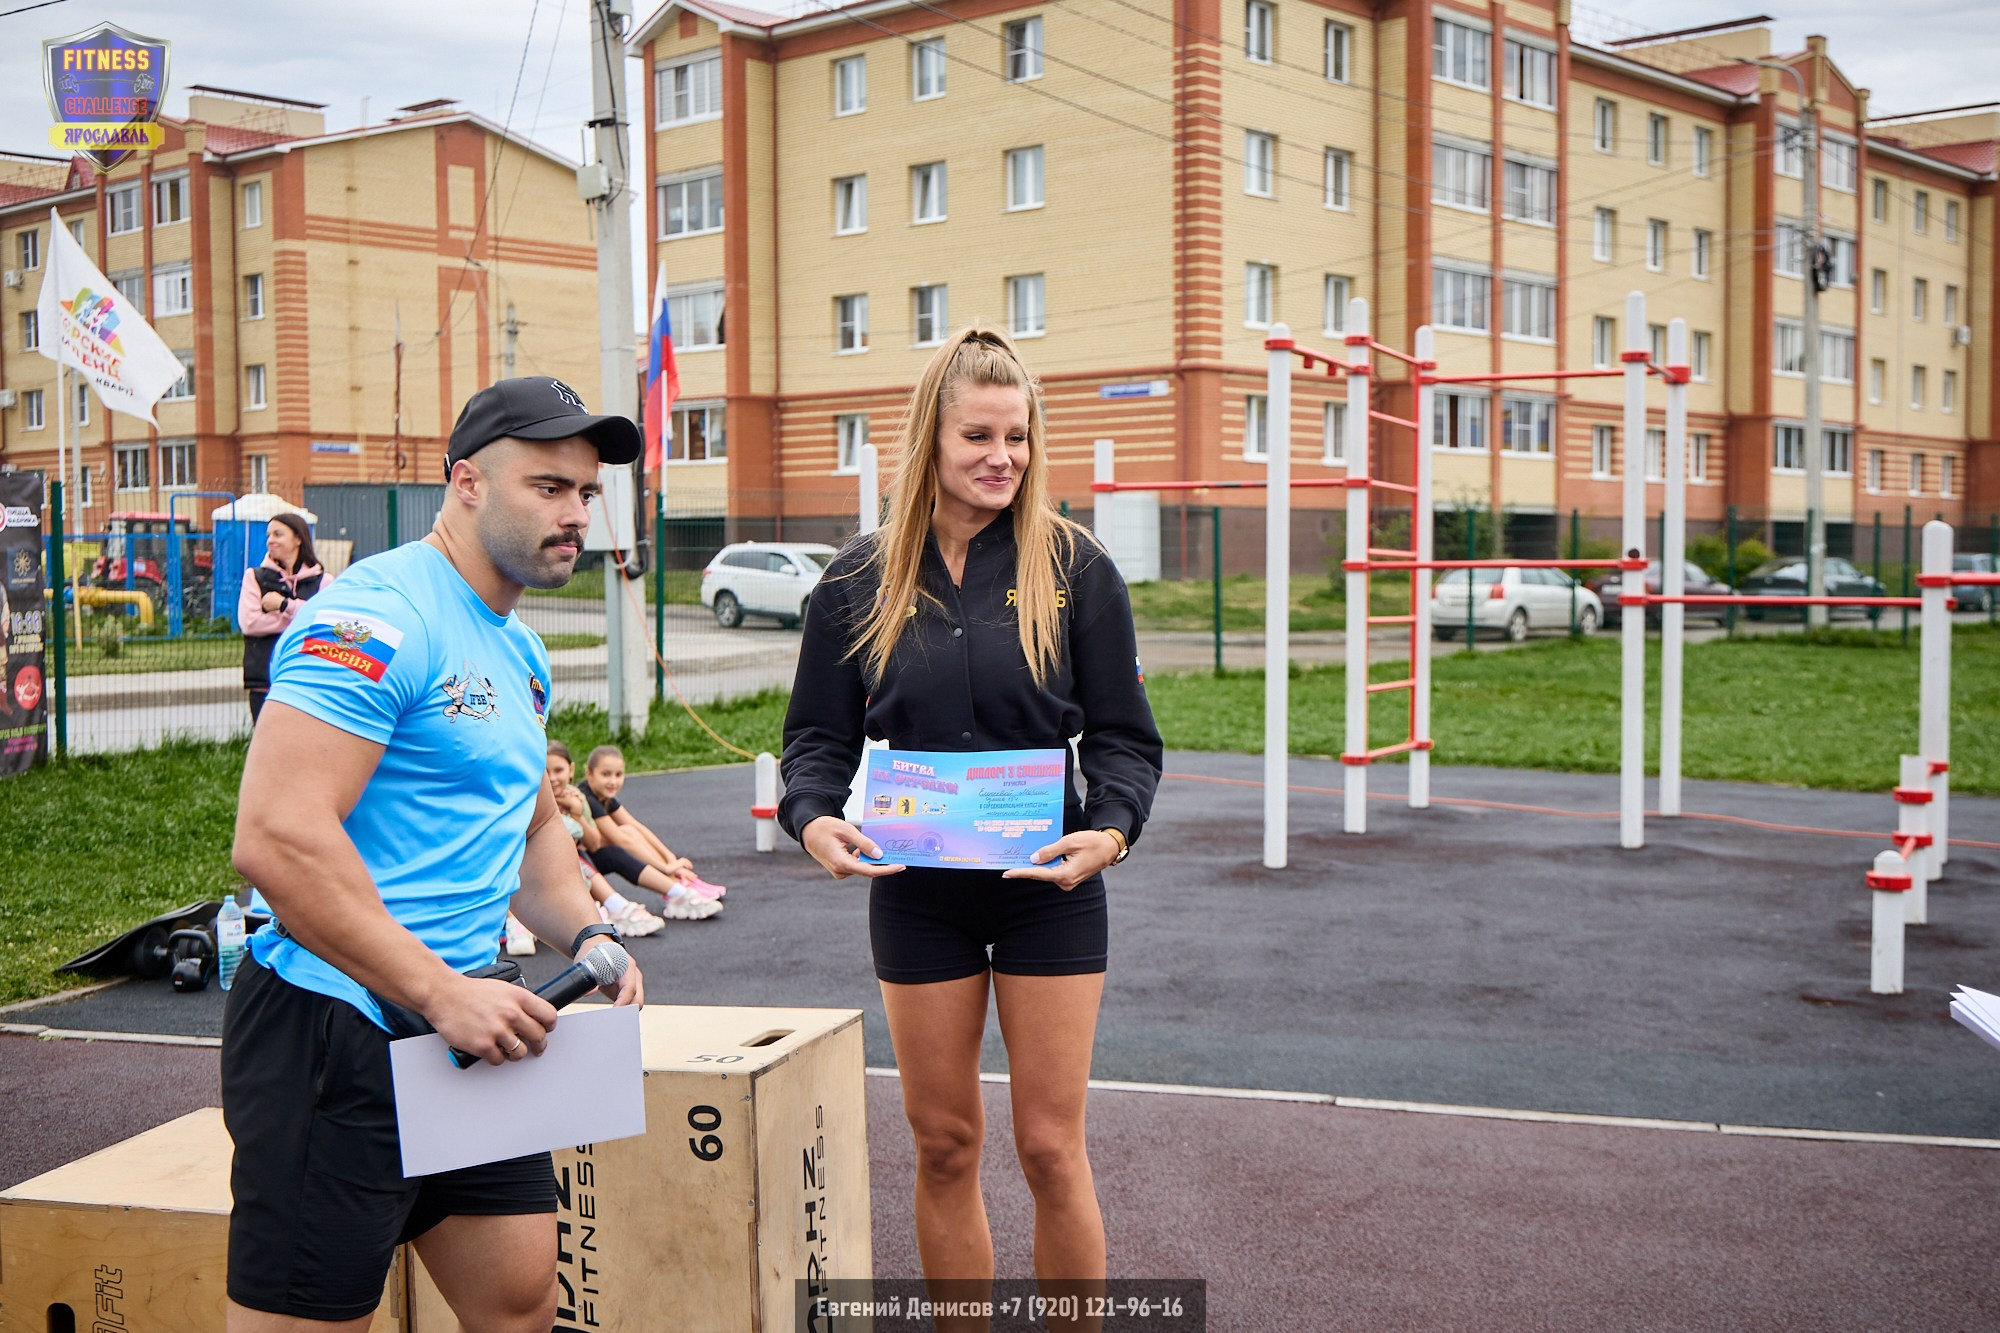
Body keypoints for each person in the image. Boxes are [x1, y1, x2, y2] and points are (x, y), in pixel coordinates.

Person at [225, 375, 647, 1333]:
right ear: (466, 482)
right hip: (337, 1022)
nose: (575, 514)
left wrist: (588, 929)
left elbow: (531, 828)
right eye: (549, 486)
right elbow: (277, 833)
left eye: (585, 492)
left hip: (469, 1022)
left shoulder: (520, 652)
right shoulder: (377, 616)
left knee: (520, 1300)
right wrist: (438, 991)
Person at [779, 326, 1162, 1325]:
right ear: (931, 440)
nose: (1003, 457)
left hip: (1048, 890)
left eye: (1018, 436)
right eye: (979, 436)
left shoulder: (1076, 567)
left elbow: (1125, 738)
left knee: (1049, 1145)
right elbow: (814, 737)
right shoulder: (856, 579)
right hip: (918, 895)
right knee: (944, 1143)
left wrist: (1110, 831)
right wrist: (812, 820)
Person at [581, 743, 727, 899]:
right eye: (605, 774)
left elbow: (635, 825)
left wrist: (670, 857)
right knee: (624, 836)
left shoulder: (604, 795)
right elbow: (621, 840)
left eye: (618, 775)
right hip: (583, 860)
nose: (613, 781)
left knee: (630, 829)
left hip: (595, 853)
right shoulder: (587, 798)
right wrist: (664, 868)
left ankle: (679, 881)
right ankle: (673, 885)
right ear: (589, 773)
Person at [238, 511, 328, 722]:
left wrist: (284, 605)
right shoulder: (254, 577)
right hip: (265, 682)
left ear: (298, 538)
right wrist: (301, 618)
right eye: (268, 535)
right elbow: (250, 623)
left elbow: (326, 623)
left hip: (308, 680)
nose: (270, 540)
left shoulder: (324, 581)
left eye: (278, 534)